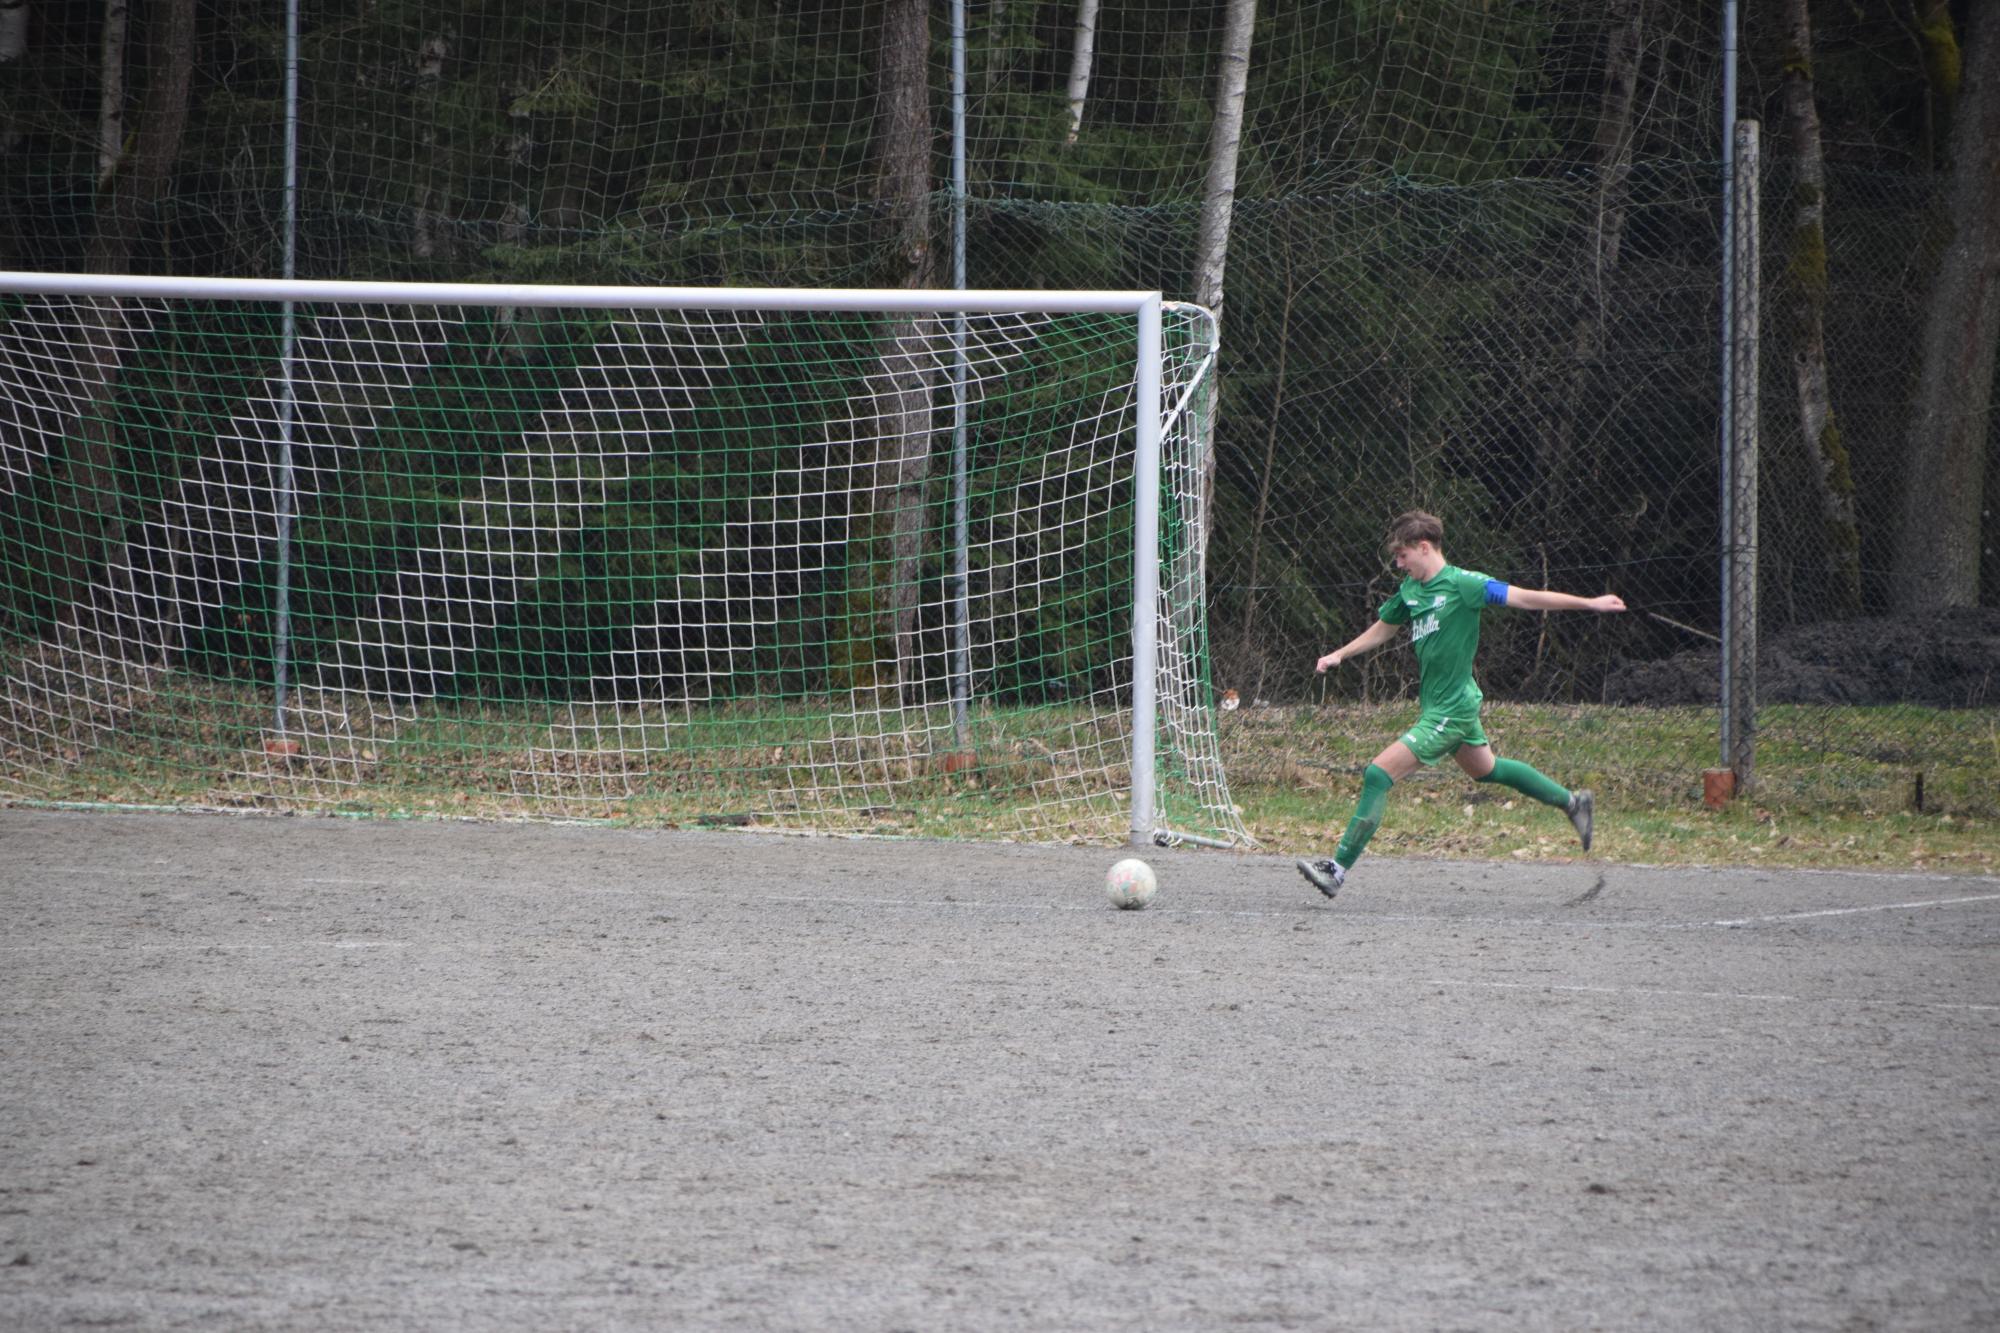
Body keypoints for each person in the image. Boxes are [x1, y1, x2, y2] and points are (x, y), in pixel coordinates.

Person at [1296, 510, 1626, 898]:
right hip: (1442, 704)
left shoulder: (1466, 584)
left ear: (1424, 547)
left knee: (1377, 775)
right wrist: (1340, 654)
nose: (1399, 563)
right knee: (1487, 770)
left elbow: (1525, 598)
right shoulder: (1410, 589)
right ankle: (1573, 802)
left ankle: (1336, 870)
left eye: (1403, 555)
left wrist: (1588, 603)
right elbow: (1384, 628)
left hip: (1452, 708)